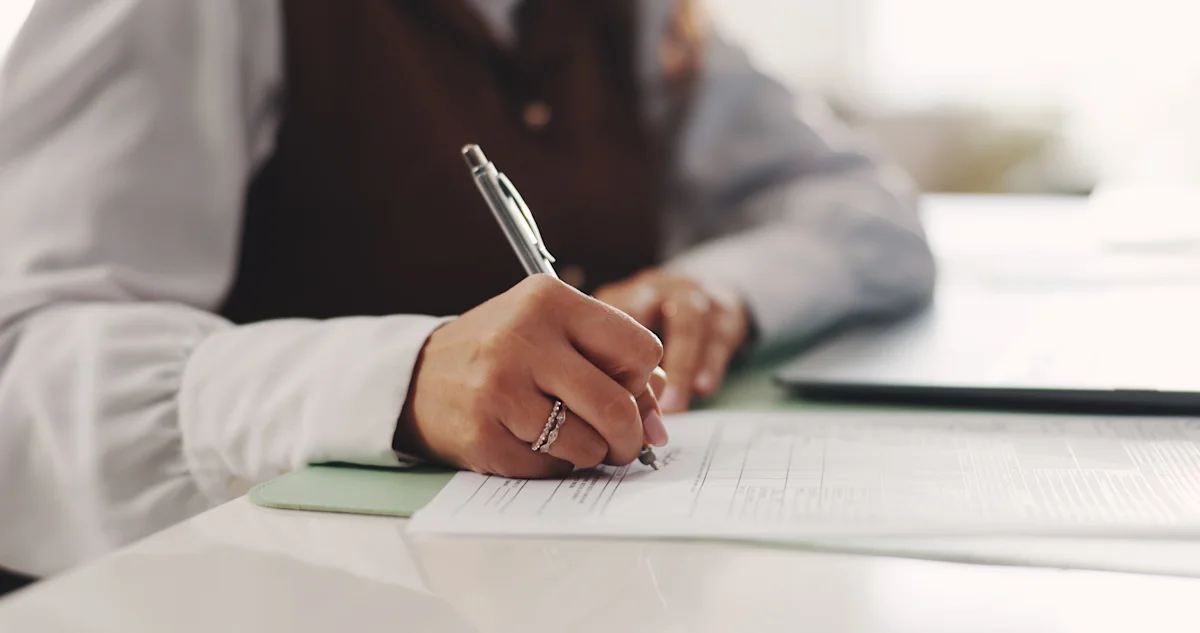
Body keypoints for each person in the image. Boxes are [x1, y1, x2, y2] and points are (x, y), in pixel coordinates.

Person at [0, 0, 935, 581]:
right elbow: (22, 359)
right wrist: (399, 380)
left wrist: (716, 287)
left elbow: (869, 210)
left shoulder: (634, 17)